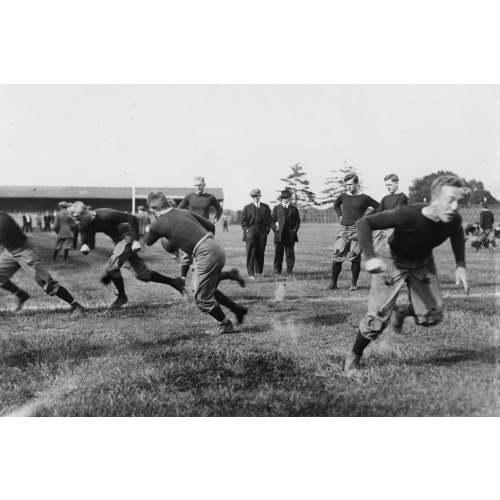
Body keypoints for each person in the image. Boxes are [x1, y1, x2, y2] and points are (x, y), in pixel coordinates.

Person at [344, 175, 469, 372]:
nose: (455, 207)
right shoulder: (408, 214)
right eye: (450, 201)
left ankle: (402, 310)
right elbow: (364, 224)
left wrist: (460, 265)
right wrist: (370, 256)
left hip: (422, 261)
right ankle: (354, 356)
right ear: (435, 198)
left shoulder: (453, 218)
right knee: (377, 319)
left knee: (431, 315)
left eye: (458, 202)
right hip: (391, 259)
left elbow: (456, 235)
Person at [145, 192, 248, 334]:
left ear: (152, 209)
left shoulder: (158, 224)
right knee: (203, 288)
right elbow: (211, 228)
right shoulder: (184, 211)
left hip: (205, 253)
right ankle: (238, 309)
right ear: (167, 203)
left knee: (202, 300)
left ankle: (225, 324)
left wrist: (149, 230)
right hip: (216, 246)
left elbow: (148, 242)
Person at [68, 201, 185, 309]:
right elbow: (83, 230)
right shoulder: (83, 222)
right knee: (143, 275)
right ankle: (175, 282)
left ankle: (122, 296)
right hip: (118, 239)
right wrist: (85, 244)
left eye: (78, 218)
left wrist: (135, 240)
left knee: (111, 268)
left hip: (127, 236)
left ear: (86, 213)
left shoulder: (105, 214)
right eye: (75, 219)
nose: (77, 222)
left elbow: (132, 218)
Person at [0, 211, 85, 316]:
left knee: (46, 282)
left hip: (26, 251)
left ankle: (76, 305)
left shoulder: (3, 220)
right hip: (10, 251)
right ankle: (21, 295)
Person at [329, 174, 379, 291]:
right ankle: (333, 283)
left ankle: (353, 284)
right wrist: (340, 215)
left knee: (354, 257)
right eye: (346, 185)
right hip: (343, 229)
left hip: (357, 231)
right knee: (337, 255)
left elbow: (378, 206)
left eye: (351, 184)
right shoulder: (343, 196)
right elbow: (336, 205)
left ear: (357, 184)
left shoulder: (365, 198)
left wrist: (366, 218)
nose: (348, 187)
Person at [177, 176, 224, 283]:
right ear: (194, 185)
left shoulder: (210, 197)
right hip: (191, 228)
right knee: (187, 253)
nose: (198, 187)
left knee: (207, 252)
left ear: (204, 185)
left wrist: (214, 220)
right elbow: (179, 209)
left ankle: (204, 277)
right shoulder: (189, 197)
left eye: (200, 185)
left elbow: (219, 209)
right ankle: (183, 278)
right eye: (196, 185)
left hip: (205, 229)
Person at [240, 189, 272, 281]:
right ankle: (251, 273)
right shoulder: (247, 207)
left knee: (261, 251)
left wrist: (267, 230)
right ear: (252, 197)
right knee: (251, 252)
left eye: (257, 196)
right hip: (251, 229)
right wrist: (246, 230)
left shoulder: (265, 207)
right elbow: (243, 221)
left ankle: (259, 272)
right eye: (254, 196)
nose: (256, 198)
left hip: (262, 231)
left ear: (260, 196)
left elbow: (269, 220)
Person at [271, 190, 301, 275]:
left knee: (290, 254)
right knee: (278, 254)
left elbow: (298, 221)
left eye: (286, 198)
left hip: (290, 235)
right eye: (283, 198)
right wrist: (275, 229)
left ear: (289, 198)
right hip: (279, 235)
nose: (284, 199)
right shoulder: (276, 208)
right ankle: (277, 271)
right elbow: (272, 221)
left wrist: (294, 231)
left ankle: (289, 270)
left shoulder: (294, 209)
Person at [373, 174, 408, 244]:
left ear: (396, 182)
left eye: (389, 185)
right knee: (375, 249)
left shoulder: (402, 196)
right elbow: (377, 213)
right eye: (386, 185)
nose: (387, 187)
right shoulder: (385, 198)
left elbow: (397, 214)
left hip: (394, 231)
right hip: (382, 229)